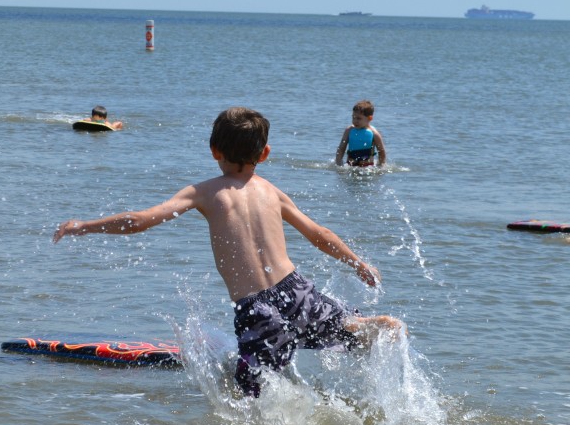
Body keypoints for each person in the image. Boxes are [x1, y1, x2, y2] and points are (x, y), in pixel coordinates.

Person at [54, 106, 403, 397]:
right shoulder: (273, 192)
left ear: (214, 150)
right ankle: (366, 327)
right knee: (339, 333)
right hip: (297, 290)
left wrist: (84, 225)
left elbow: (140, 221)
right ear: (264, 154)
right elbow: (319, 235)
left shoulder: (203, 192)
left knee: (250, 396)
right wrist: (357, 262)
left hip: (257, 307)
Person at [335, 99, 386, 167]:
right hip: (350, 166)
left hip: (368, 167)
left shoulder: (374, 133)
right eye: (353, 117)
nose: (355, 121)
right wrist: (339, 164)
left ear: (369, 118)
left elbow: (382, 152)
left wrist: (380, 166)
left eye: (359, 118)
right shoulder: (349, 130)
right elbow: (341, 148)